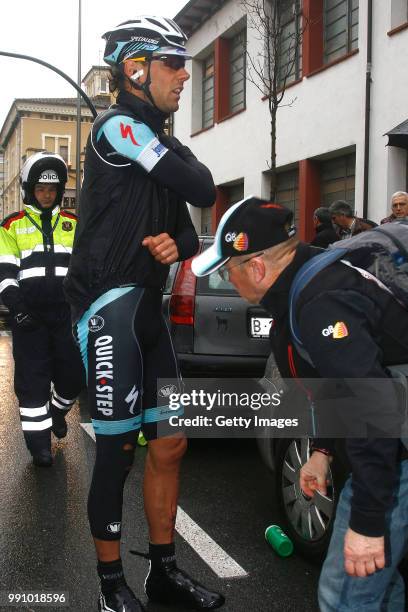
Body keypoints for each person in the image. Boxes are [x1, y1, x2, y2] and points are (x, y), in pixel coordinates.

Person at [64, 16, 224, 612]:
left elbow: (187, 226)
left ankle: (163, 574)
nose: (186, 74)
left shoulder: (161, 139)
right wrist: (172, 231)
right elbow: (202, 186)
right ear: (135, 68)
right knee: (116, 452)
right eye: (173, 63)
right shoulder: (118, 128)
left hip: (148, 311)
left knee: (171, 443)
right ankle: (110, 590)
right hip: (109, 307)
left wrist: (172, 245)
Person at [192, 196, 408, 611]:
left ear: (256, 268)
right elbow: (335, 387)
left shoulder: (320, 302)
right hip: (392, 440)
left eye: (227, 272)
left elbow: (372, 409)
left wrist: (366, 523)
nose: (228, 282)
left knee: (344, 596)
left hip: (393, 451)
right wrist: (324, 452)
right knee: (378, 587)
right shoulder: (305, 285)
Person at [0, 152, 84, 467]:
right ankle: (40, 447)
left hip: (67, 316)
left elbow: (85, 271)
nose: (46, 194)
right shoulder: (12, 225)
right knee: (32, 384)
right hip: (29, 318)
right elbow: (5, 273)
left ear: (60, 190)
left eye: (52, 189)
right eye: (40, 189)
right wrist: (17, 308)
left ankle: (58, 411)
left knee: (74, 377)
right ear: (30, 190)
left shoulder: (74, 224)